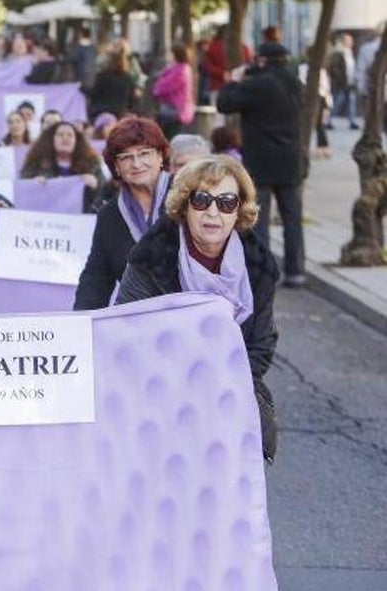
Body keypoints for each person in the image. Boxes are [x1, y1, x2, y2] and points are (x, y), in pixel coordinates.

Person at [116, 155, 279, 463]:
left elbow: (261, 344)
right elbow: (129, 332)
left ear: (239, 210)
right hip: (160, 389)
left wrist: (222, 386)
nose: (213, 213)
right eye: (202, 200)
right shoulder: (151, 258)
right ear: (184, 205)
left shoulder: (260, 266)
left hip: (231, 387)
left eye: (226, 202)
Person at [217, 41, 307, 287]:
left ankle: (265, 272)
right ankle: (296, 270)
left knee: (259, 220)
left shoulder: (257, 85)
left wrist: (234, 80)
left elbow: (224, 103)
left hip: (262, 162)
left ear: (262, 60)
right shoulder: (296, 84)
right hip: (291, 161)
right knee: (292, 219)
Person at [74, 117, 171, 310]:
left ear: (160, 156)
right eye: (126, 157)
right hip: (138, 320)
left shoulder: (188, 196)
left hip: (194, 318)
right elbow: (96, 278)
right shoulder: (109, 215)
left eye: (144, 153)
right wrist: (81, 324)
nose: (136, 163)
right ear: (116, 167)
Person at [20, 122, 106, 212]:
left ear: (76, 141)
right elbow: (22, 192)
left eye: (70, 135)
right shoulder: (36, 164)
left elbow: (105, 195)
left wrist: (95, 186)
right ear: (51, 140)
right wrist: (32, 185)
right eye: (60, 135)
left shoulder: (91, 165)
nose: (65, 138)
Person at [87, 40, 138, 121]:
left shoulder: (103, 75)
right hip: (120, 114)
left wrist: (82, 88)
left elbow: (94, 93)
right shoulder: (128, 78)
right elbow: (132, 100)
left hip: (101, 113)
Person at [152, 43, 196, 138]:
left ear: (175, 54)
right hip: (173, 110)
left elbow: (162, 88)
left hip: (174, 110)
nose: (167, 55)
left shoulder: (179, 70)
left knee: (170, 138)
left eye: (170, 53)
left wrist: (157, 88)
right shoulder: (180, 69)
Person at [325, 32, 359, 130]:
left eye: (351, 40)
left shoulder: (352, 53)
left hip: (350, 82)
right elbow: (334, 68)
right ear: (344, 41)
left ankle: (352, 121)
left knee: (351, 102)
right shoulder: (338, 53)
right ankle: (329, 121)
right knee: (336, 102)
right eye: (348, 40)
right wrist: (339, 78)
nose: (351, 42)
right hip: (340, 83)